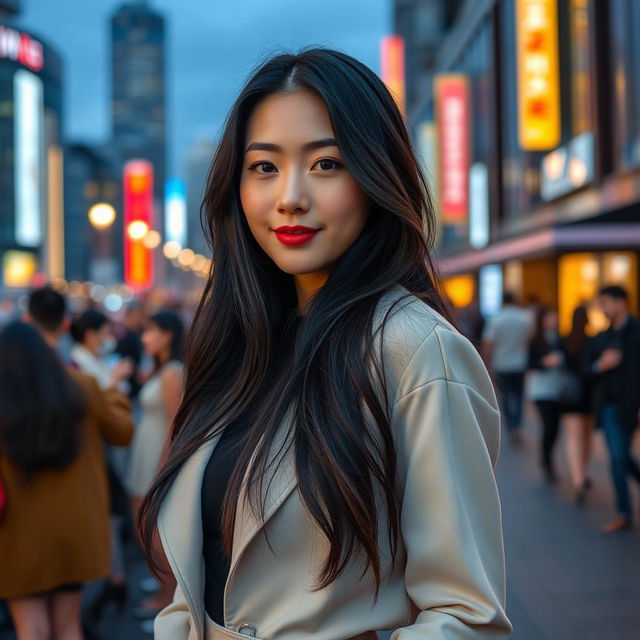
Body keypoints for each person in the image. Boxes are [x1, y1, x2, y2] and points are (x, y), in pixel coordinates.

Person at [137, 49, 511, 640]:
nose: (289, 196)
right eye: (263, 167)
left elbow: (467, 617)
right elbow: (201, 577)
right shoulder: (241, 342)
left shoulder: (414, 349)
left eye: (327, 163)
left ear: (376, 176)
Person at [0, 287, 133, 640]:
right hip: (73, 527)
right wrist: (114, 391)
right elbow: (122, 433)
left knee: (31, 628)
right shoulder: (82, 386)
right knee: (68, 626)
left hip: (16, 532)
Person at [69, 309, 134, 620]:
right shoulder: (79, 367)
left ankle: (113, 581)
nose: (110, 339)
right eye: (106, 332)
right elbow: (108, 416)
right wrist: (116, 382)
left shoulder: (89, 362)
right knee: (108, 511)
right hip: (100, 450)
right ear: (91, 334)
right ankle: (110, 582)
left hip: (105, 449)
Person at [127, 311, 184, 622]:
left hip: (156, 455)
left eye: (150, 331)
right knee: (145, 523)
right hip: (146, 451)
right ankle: (164, 588)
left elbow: (176, 423)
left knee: (151, 527)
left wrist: (165, 465)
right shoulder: (163, 369)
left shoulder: (174, 371)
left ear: (168, 336)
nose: (144, 337)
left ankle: (168, 597)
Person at [584, 285, 640, 533]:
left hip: (631, 404)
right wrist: (600, 365)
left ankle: (624, 513)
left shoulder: (637, 332)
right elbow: (585, 369)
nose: (602, 309)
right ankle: (624, 513)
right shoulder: (602, 337)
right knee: (618, 458)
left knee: (621, 458)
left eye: (605, 303)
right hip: (607, 406)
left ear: (621, 302)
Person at [482, 291, 532, 445]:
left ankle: (510, 427)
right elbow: (529, 340)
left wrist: (486, 363)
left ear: (502, 302)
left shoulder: (496, 319)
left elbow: (488, 344)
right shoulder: (524, 318)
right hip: (520, 364)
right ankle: (517, 425)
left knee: (504, 398)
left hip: (501, 364)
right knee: (518, 397)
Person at [560, 305, 595, 503]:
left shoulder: (565, 340)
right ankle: (583, 471)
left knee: (572, 437)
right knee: (586, 435)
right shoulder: (592, 341)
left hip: (570, 394)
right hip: (588, 394)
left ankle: (577, 479)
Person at [527, 306, 564, 483]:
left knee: (556, 428)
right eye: (550, 317)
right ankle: (547, 461)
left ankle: (547, 457)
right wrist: (544, 362)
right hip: (541, 390)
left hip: (558, 389)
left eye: (555, 317)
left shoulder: (560, 339)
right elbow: (528, 363)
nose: (553, 321)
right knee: (548, 425)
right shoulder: (535, 340)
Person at [116, 302, 148, 400]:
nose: (140, 318)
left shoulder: (137, 333)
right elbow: (121, 362)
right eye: (138, 314)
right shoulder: (123, 336)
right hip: (127, 388)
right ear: (129, 315)